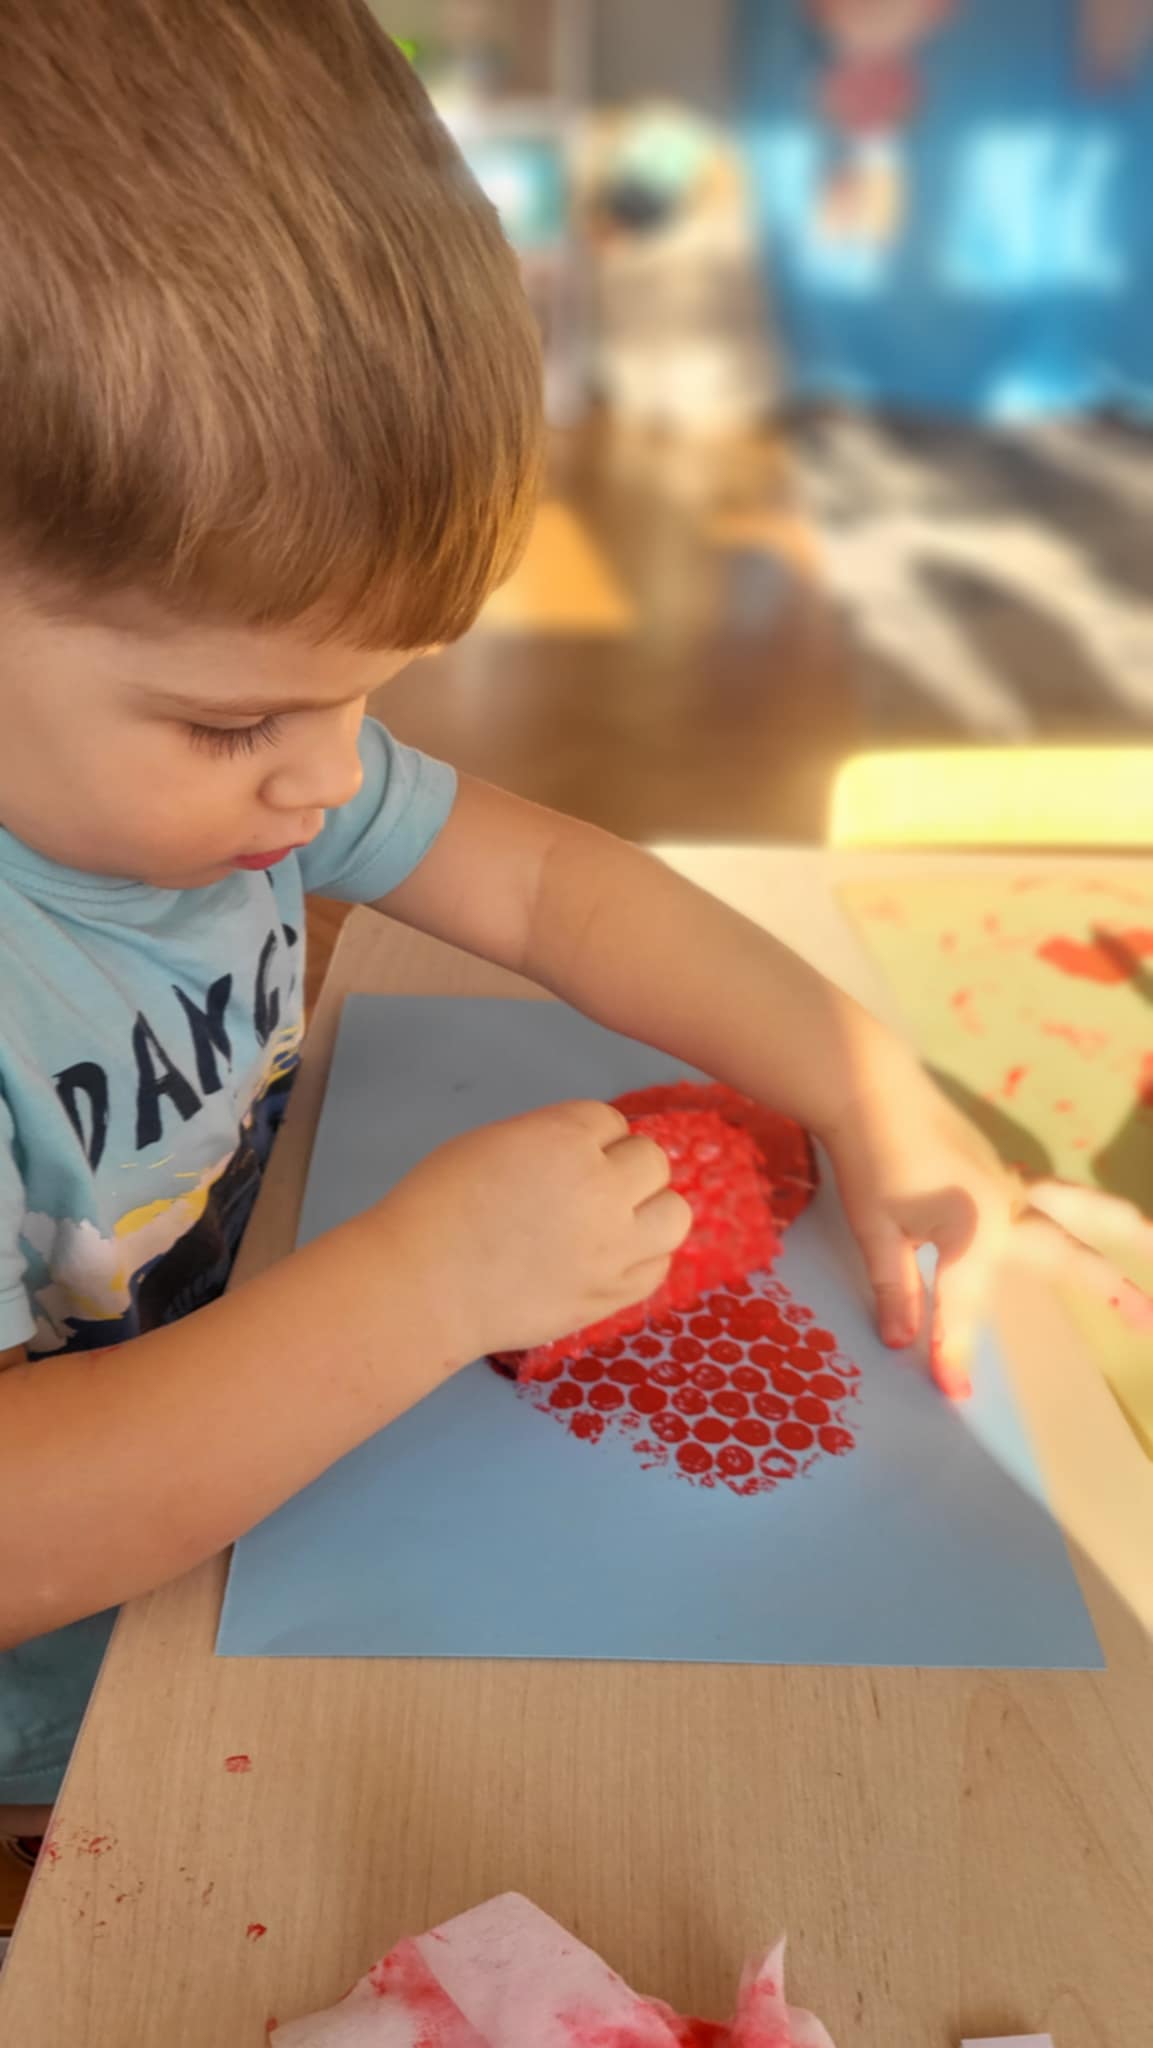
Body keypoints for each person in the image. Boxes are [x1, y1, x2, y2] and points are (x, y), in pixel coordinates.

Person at [0, 0, 1144, 1822]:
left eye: (367, 698)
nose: (327, 782)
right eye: (234, 723)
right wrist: (425, 1287)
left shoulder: (233, 767)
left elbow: (545, 884)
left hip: (268, 1488)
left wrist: (871, 1098)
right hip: (92, 1717)